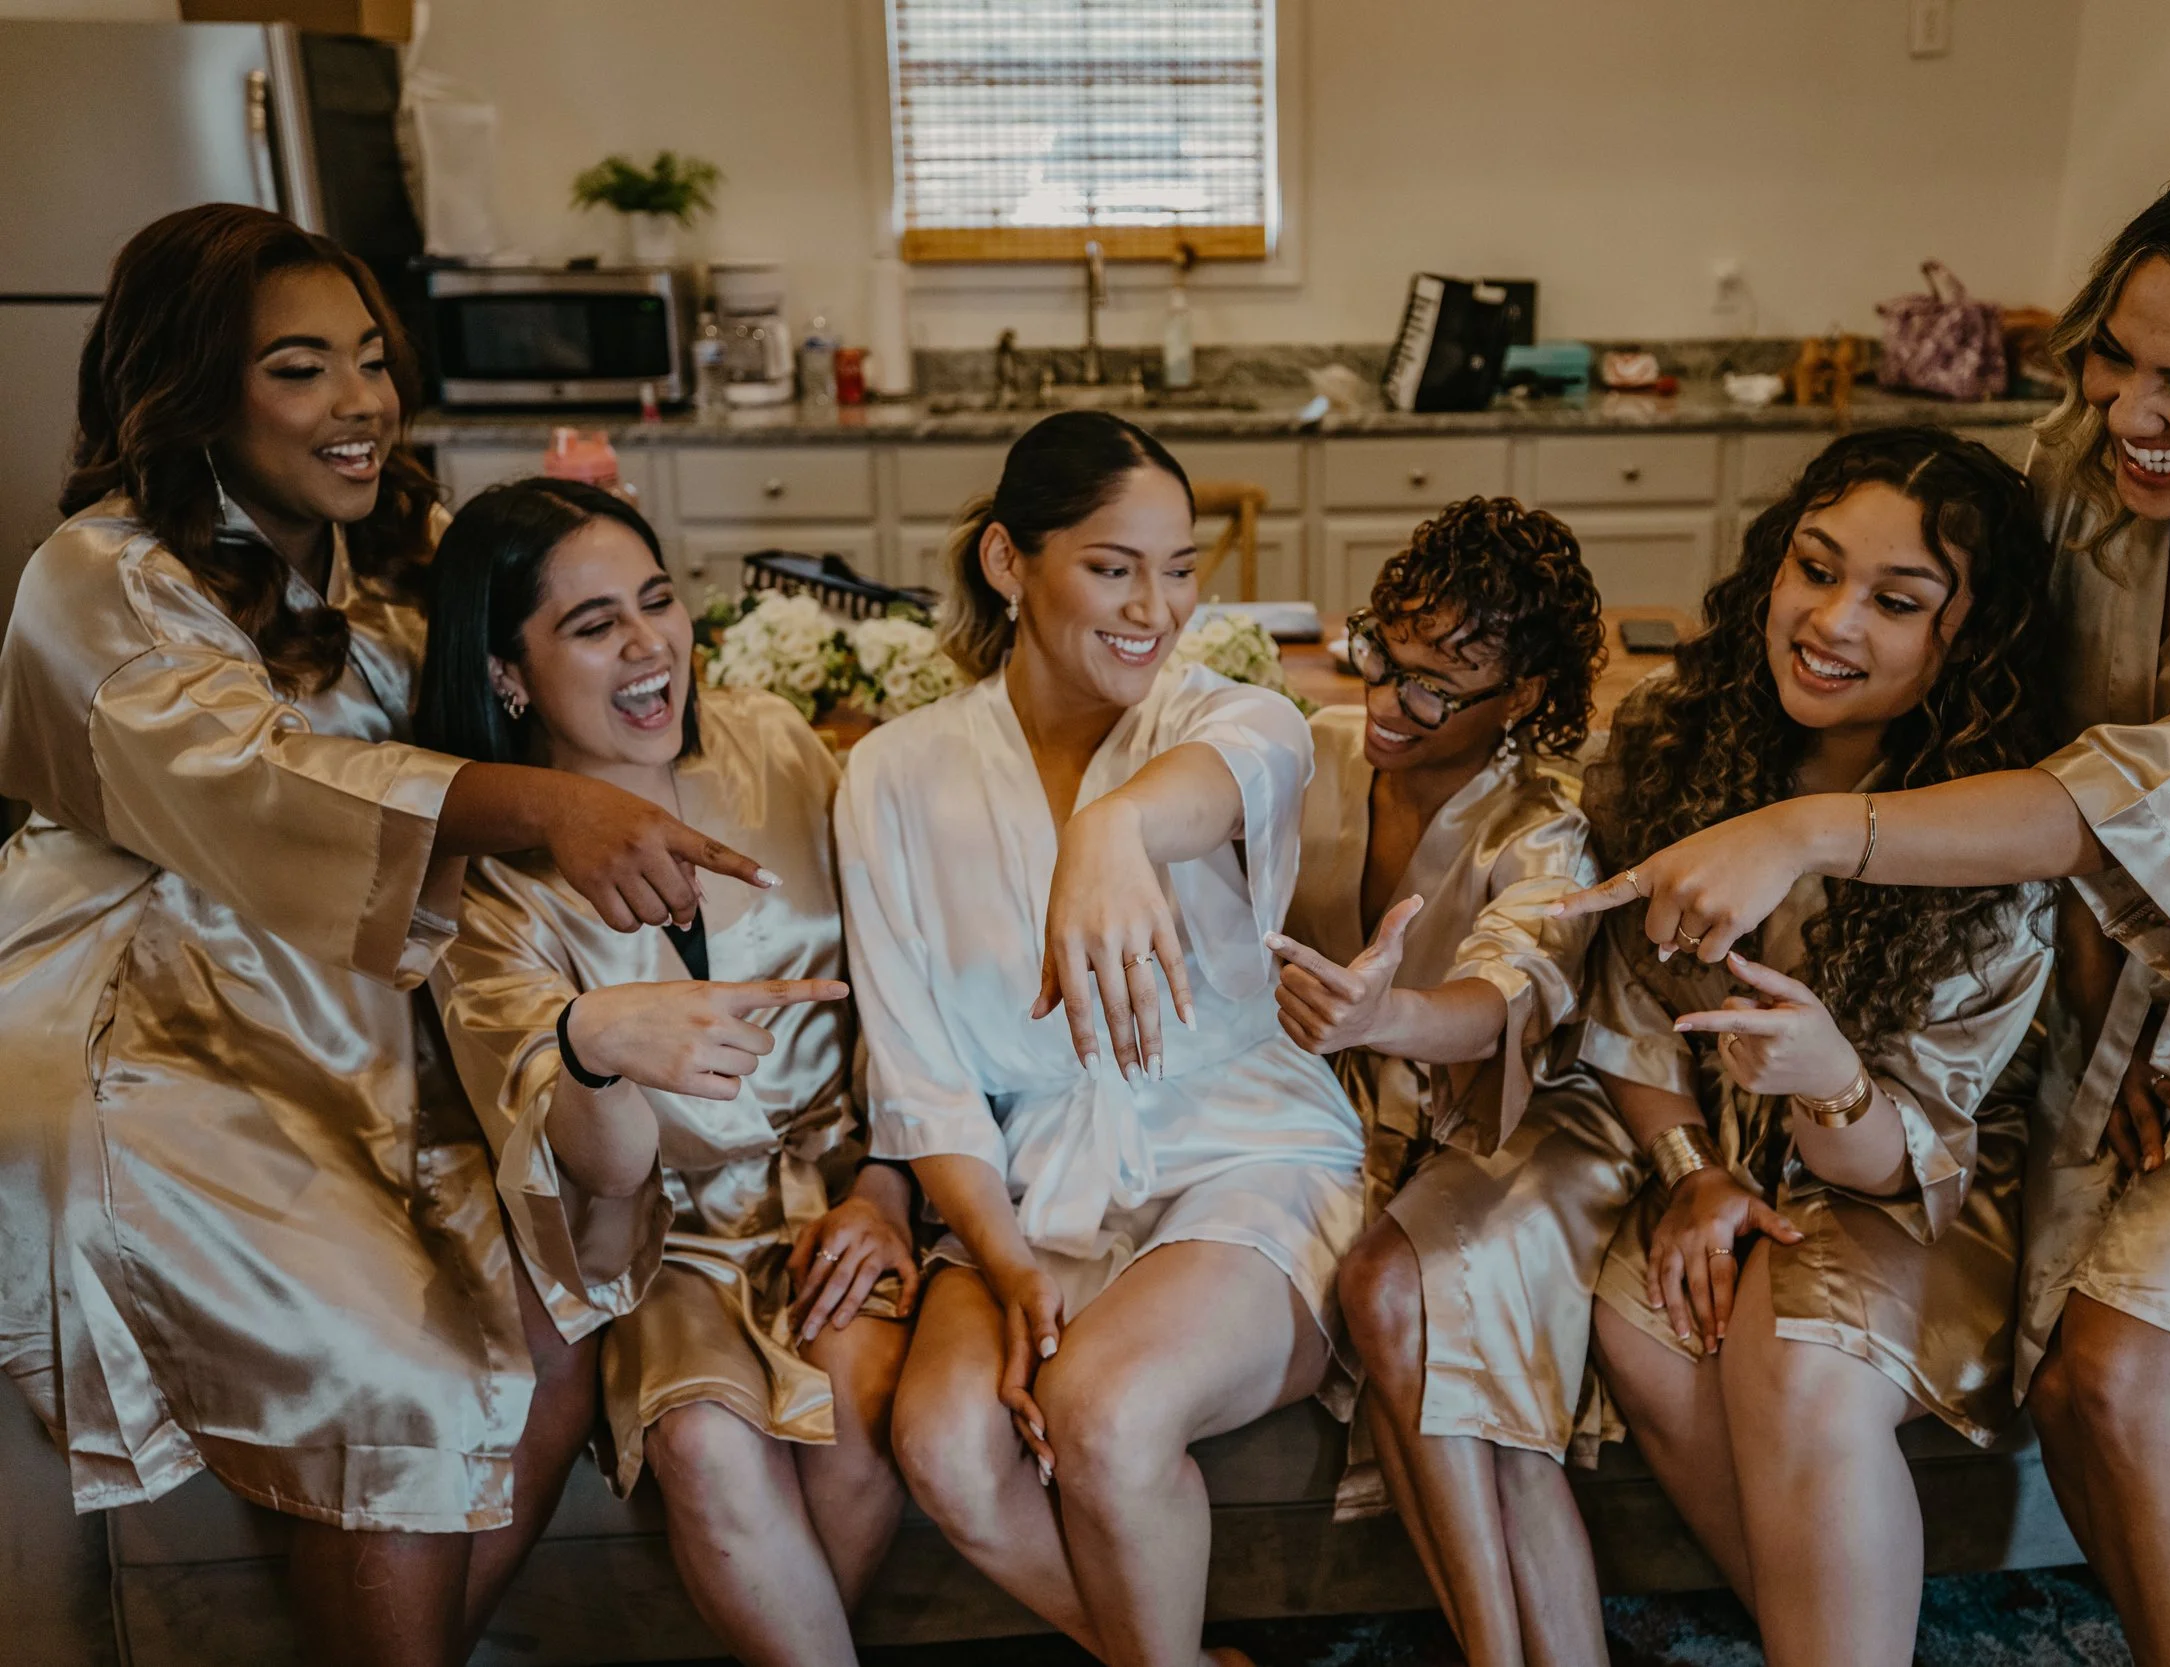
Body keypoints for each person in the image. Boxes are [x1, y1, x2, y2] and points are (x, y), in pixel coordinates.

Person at [1558, 94, 2170, 1667]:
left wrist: (1816, 832)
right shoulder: (2092, 471)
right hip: (2132, 959)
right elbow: (1981, 664)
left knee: (2123, 1363)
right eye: (2113, 357)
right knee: (2028, 1350)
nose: (2127, 414)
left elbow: (2162, 794)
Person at [0, 205, 767, 1667]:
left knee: (558, 1291)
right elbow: (250, 776)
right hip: (148, 1040)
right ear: (195, 387)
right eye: (300, 368)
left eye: (369, 359)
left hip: (346, 1028)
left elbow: (524, 697)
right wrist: (540, 804)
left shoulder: (380, 587)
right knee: (402, 1368)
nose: (359, 402)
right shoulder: (98, 577)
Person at [838, 411, 1365, 1667]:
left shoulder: (1234, 721)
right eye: (1112, 565)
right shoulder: (895, 776)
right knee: (946, 1445)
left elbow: (1242, 766)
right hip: (1033, 1179)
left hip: (1243, 1152)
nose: (1156, 606)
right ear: (1009, 563)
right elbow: (922, 1075)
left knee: (1106, 1409)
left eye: (1179, 567)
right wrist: (1014, 1267)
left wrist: (1110, 829)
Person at [1569, 427, 2060, 1666]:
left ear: (1975, 633)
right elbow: (1628, 1006)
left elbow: (1906, 1158)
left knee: (1793, 1346)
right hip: (1741, 1156)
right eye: (1815, 567)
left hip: (1912, 1181)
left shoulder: (1989, 835)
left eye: (1896, 601)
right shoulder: (1678, 740)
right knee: (1645, 1307)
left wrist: (1832, 1079)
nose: (1831, 621)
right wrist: (1692, 1169)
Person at [418, 479, 918, 1667]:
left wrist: (887, 1185)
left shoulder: (776, 745)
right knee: (698, 1438)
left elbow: (908, 983)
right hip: (664, 1237)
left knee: (856, 1404)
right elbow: (599, 1172)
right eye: (593, 627)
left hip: (846, 1191)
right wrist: (592, 1041)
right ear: (506, 673)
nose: (650, 646)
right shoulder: (490, 893)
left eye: (657, 601)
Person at [1264, 497, 1636, 1667]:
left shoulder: (1547, 823)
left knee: (1387, 1285)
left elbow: (1507, 996)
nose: (1388, 700)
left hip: (1523, 1118)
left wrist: (1387, 1016)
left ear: (1521, 695)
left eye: (1435, 683)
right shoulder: (1310, 747)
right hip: (1358, 1120)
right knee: (1401, 1328)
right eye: (1383, 653)